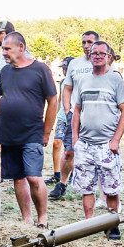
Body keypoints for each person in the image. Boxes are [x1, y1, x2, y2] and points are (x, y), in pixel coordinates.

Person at [70, 40, 124, 237]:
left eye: (101, 53)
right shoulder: (83, 80)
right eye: (94, 53)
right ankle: (89, 224)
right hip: (85, 145)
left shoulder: (115, 80)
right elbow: (77, 111)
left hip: (107, 145)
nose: (97, 56)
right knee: (86, 187)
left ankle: (112, 224)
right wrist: (75, 138)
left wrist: (115, 140)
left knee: (111, 188)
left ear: (108, 57)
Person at [0, 32, 57, 227]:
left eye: (7, 49)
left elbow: (52, 101)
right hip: (8, 134)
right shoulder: (5, 71)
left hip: (32, 133)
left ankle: (43, 218)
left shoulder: (40, 69)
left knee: (33, 176)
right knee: (18, 178)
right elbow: (2, 97)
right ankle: (26, 218)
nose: (3, 52)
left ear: (21, 48)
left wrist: (46, 132)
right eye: (3, 49)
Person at [57, 31, 102, 191]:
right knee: (69, 151)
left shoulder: (105, 62)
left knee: (99, 152)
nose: (86, 46)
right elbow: (67, 88)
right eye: (83, 42)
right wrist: (68, 110)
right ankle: (62, 183)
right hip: (75, 116)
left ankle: (99, 189)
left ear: (97, 43)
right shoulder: (75, 64)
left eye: (89, 42)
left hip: (98, 117)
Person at [47, 56, 74, 198]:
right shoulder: (63, 81)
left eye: (66, 67)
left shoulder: (76, 81)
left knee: (70, 150)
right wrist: (54, 117)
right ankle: (57, 174)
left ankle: (71, 175)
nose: (64, 70)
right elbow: (58, 101)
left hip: (72, 118)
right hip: (62, 118)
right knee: (56, 143)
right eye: (63, 67)